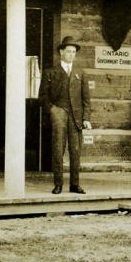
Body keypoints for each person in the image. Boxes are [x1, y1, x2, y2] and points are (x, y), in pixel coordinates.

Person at [38, 36, 92, 194]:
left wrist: (86, 118)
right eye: (68, 51)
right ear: (61, 52)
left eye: (74, 52)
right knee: (58, 149)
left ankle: (75, 184)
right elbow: (43, 96)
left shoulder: (80, 73)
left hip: (76, 117)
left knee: (75, 151)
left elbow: (86, 99)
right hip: (59, 113)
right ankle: (58, 184)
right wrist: (53, 110)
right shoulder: (51, 72)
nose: (71, 54)